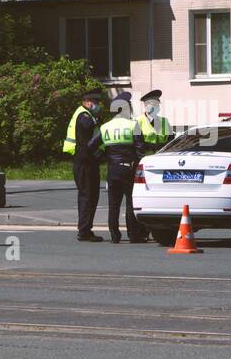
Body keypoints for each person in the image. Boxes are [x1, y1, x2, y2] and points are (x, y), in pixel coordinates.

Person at [94, 91, 148, 244]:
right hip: (129, 169)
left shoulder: (105, 127)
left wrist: (104, 156)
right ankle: (133, 235)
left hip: (112, 170)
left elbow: (91, 146)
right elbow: (140, 148)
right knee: (130, 203)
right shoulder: (133, 125)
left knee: (113, 204)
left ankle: (114, 236)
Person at [63, 89, 104, 241]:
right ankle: (84, 231)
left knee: (90, 195)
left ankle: (86, 229)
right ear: (87, 102)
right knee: (88, 196)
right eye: (96, 102)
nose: (98, 105)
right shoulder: (84, 116)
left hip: (86, 162)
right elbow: (88, 138)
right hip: (85, 163)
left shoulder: (85, 114)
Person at [135, 89, 173, 154]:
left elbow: (171, 140)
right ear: (146, 106)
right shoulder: (138, 121)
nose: (156, 106)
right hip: (147, 159)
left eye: (157, 104)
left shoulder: (164, 121)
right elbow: (139, 144)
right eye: (153, 104)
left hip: (162, 158)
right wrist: (157, 147)